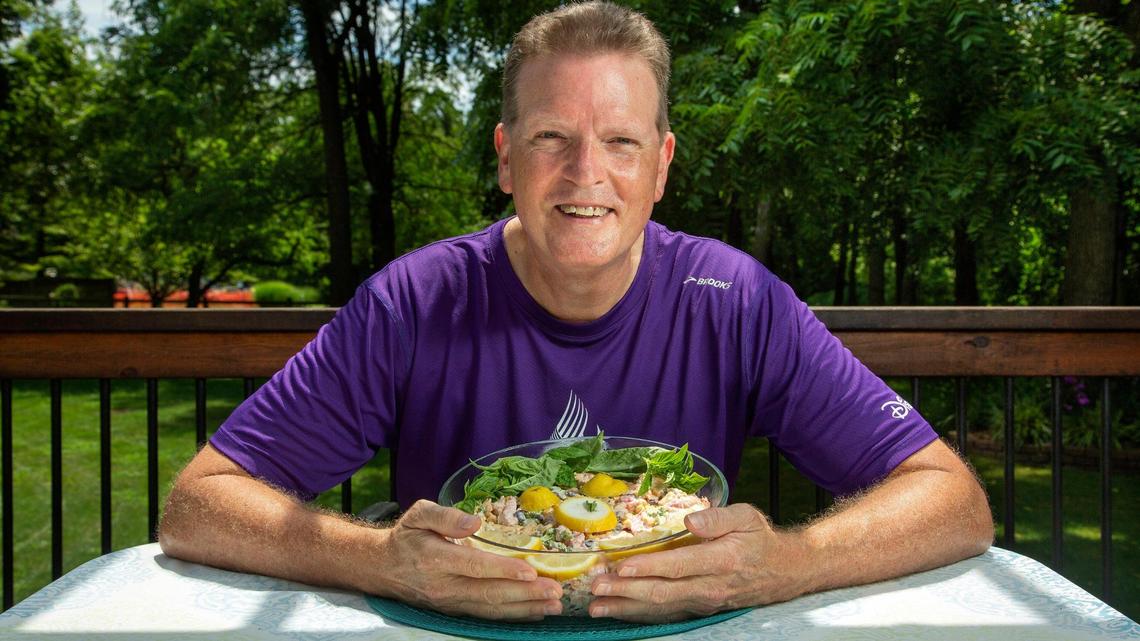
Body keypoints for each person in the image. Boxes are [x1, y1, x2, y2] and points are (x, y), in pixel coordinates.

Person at [158, 1, 993, 623]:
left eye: (622, 142)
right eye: (553, 137)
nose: (585, 173)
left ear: (662, 165)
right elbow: (200, 504)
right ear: (506, 158)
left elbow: (950, 500)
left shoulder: (736, 299)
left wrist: (787, 563)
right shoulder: (412, 301)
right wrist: (382, 560)